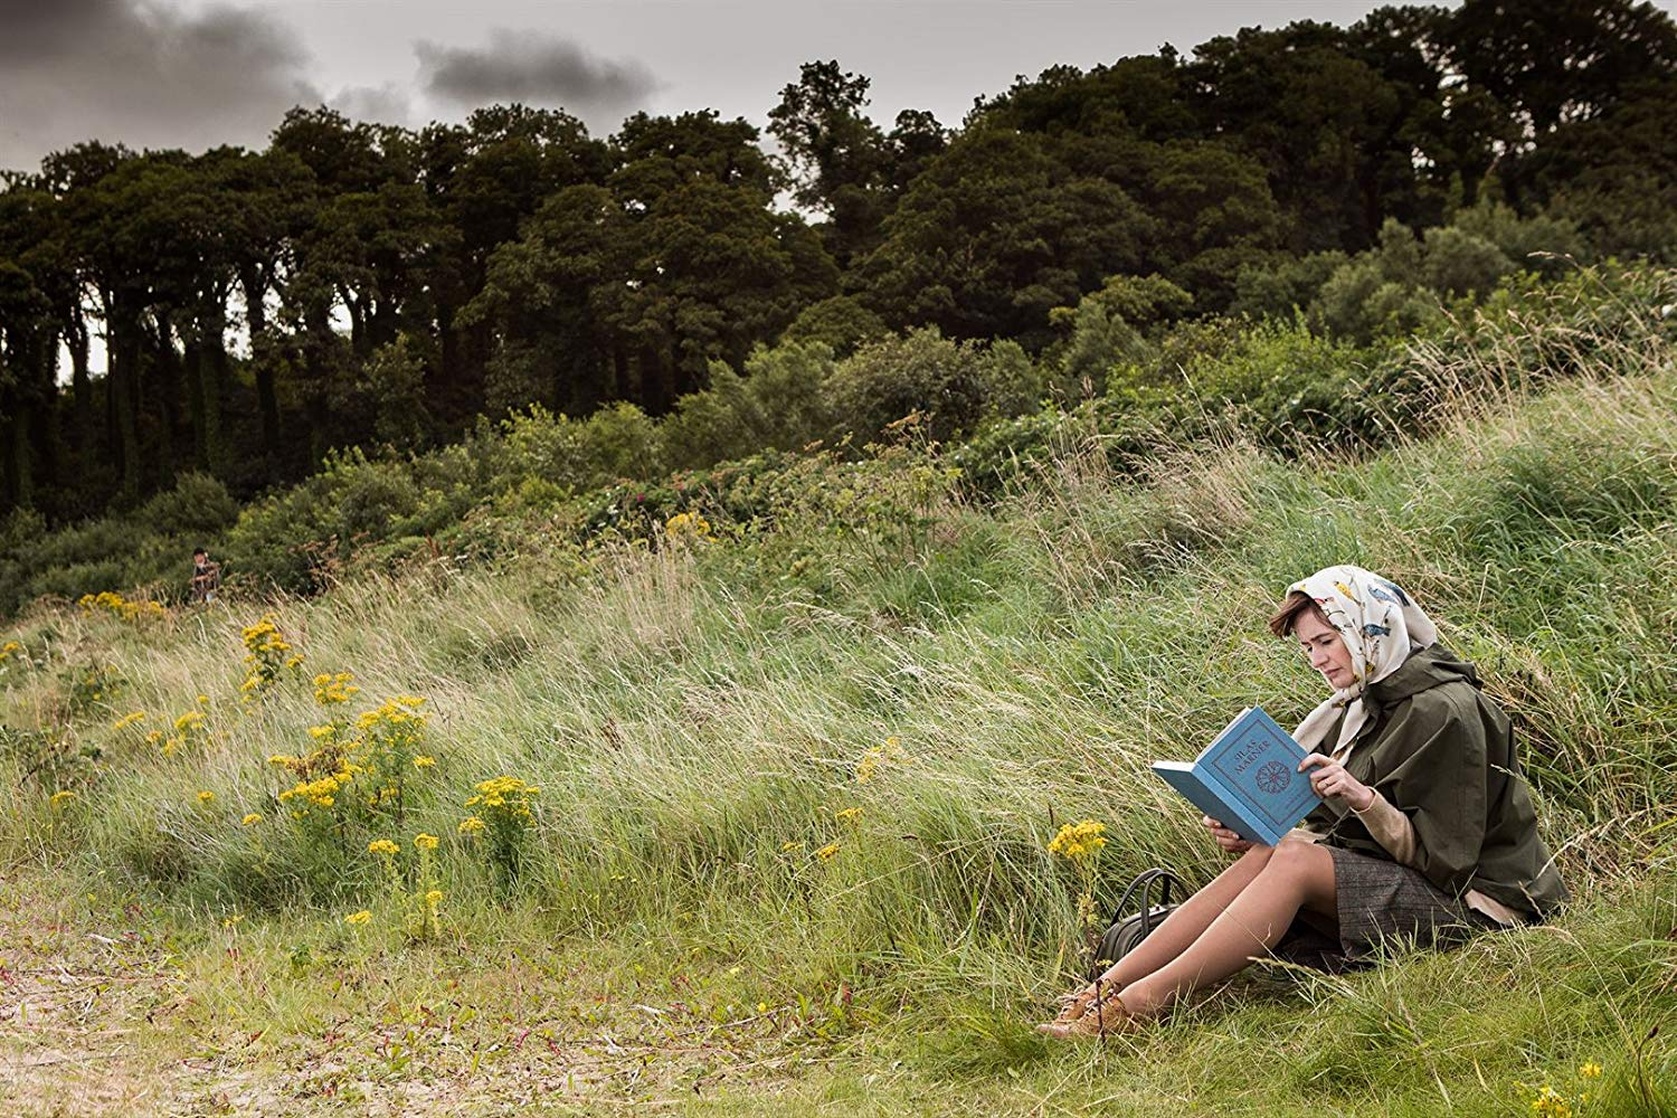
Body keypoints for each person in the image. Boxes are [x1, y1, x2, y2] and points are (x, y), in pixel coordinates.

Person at [1039, 565, 1566, 1038]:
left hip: (1480, 904)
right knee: (1273, 850)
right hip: (1412, 881)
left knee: (1292, 858)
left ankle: (1135, 1008)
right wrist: (1251, 830)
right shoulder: (1359, 705)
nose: (1316, 660)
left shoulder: (1444, 710)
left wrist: (1363, 799)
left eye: (1326, 641)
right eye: (1308, 647)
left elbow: (1449, 861)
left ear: (1367, 631)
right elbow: (1332, 833)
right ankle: (1101, 991)